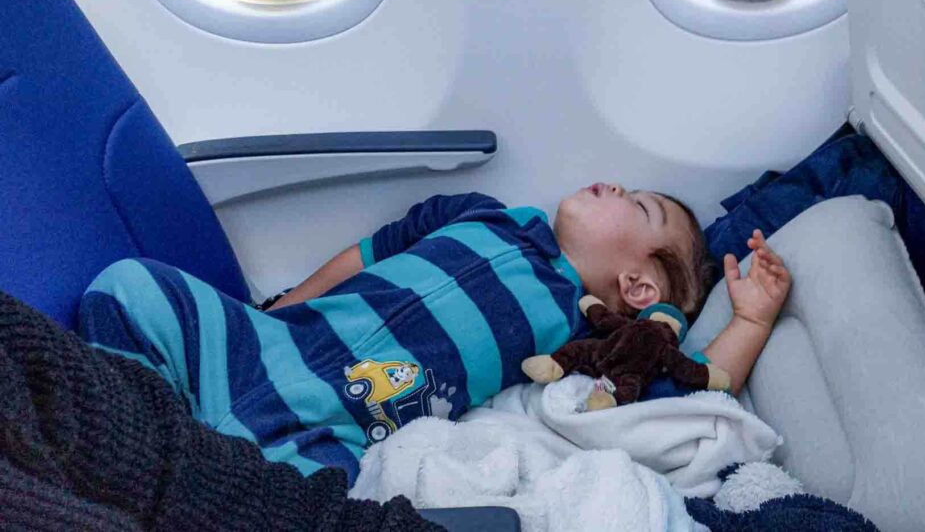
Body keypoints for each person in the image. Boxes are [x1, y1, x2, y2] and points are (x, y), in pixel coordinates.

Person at [77, 182, 791, 483]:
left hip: (334, 426)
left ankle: (158, 466)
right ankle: (133, 433)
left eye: (635, 203)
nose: (611, 184)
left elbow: (681, 386)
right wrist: (284, 304)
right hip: (269, 342)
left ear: (637, 287)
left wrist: (752, 317)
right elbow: (371, 251)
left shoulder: (582, 332)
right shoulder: (486, 213)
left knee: (305, 505)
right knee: (131, 285)